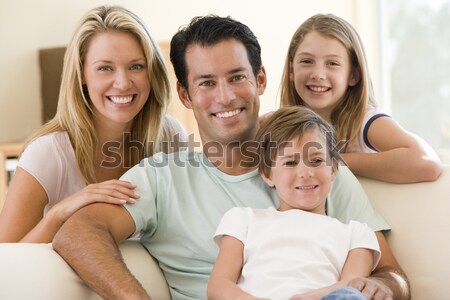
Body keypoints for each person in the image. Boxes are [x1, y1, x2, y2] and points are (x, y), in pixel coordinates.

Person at [53, 15, 410, 300]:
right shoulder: (162, 177)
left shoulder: (318, 170)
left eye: (237, 77)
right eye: (206, 82)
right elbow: (78, 232)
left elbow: (392, 274)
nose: (225, 97)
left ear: (260, 80)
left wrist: (386, 287)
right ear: (186, 94)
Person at [0, 5, 187, 243]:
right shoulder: (47, 154)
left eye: (136, 66)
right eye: (105, 68)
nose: (122, 83)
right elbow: (6, 260)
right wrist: (59, 214)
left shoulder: (170, 136)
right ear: (82, 76)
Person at [208, 106, 381, 300]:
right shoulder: (243, 219)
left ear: (333, 169)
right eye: (290, 163)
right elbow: (219, 286)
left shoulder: (357, 234)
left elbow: (351, 286)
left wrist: (306, 298)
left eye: (316, 161)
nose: (305, 173)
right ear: (267, 174)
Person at [279, 13, 441, 184]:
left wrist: (331, 160)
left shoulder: (365, 121)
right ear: (291, 71)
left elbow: (426, 163)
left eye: (332, 63)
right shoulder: (283, 126)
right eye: (306, 61)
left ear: (353, 75)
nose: (318, 74)